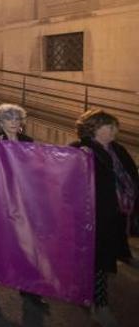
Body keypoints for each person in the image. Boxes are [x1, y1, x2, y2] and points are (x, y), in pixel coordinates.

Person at [71, 110, 138, 326]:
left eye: (114, 127)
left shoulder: (117, 149)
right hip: (92, 217)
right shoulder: (80, 149)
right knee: (100, 262)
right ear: (95, 128)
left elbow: (132, 176)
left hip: (117, 216)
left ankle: (90, 297)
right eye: (110, 127)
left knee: (103, 260)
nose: (114, 131)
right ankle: (100, 307)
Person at [0, 104, 48, 310]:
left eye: (17, 118)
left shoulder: (29, 143)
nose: (14, 122)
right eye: (9, 118)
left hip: (24, 200)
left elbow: (43, 165)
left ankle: (29, 287)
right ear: (0, 123)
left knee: (27, 243)